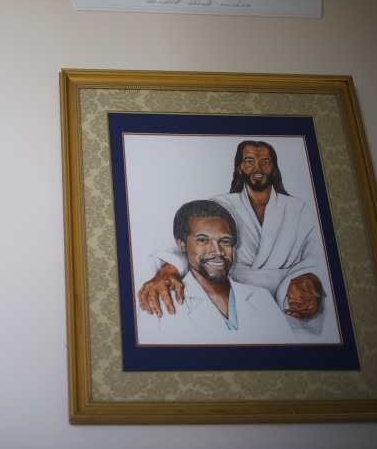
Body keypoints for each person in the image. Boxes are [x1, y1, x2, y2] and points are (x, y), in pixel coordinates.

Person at [138, 140, 333, 337]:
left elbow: (320, 257)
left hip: (289, 303)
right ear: (239, 168)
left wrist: (307, 279)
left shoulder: (300, 211)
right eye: (249, 161)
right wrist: (167, 270)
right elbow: (192, 244)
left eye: (265, 162)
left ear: (274, 169)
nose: (258, 167)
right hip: (227, 291)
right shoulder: (220, 205)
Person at [136, 200, 294, 344]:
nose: (217, 251)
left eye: (225, 241)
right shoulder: (158, 303)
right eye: (203, 240)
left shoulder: (262, 298)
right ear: (181, 244)